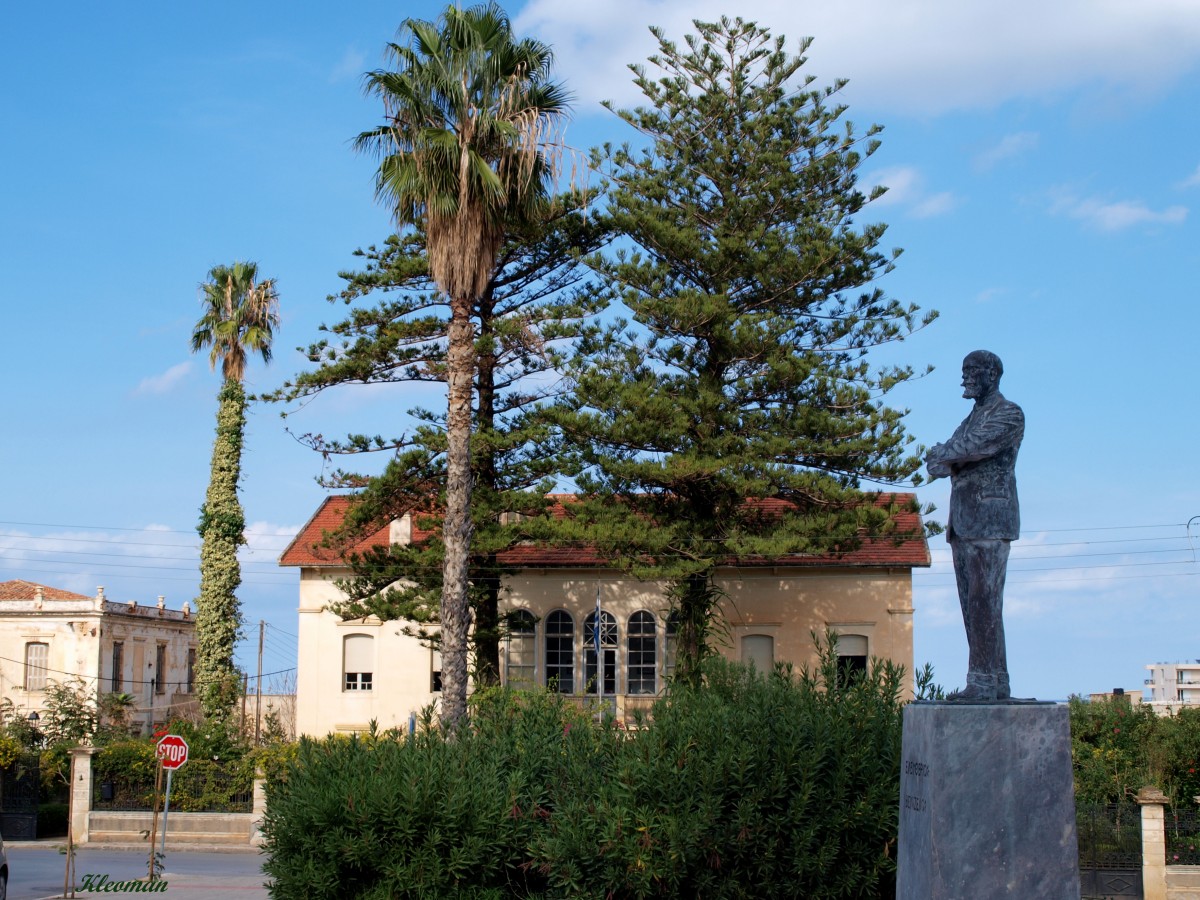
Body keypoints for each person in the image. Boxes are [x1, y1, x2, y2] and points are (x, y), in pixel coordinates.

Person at [926, 350, 1024, 702]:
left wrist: (948, 452)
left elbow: (970, 447)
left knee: (984, 601)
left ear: (992, 374)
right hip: (964, 523)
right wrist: (948, 454)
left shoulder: (1009, 413)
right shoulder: (971, 417)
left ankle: (985, 682)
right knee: (973, 604)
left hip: (989, 520)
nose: (965, 377)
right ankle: (992, 681)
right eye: (963, 370)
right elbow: (938, 463)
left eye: (971, 371)